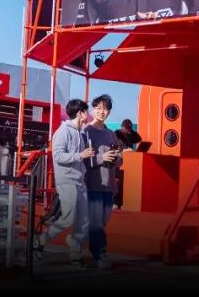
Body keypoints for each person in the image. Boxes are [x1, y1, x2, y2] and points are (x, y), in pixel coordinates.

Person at [34, 99, 95, 266]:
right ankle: (40, 241)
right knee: (68, 218)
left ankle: (75, 254)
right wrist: (80, 155)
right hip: (67, 180)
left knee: (83, 220)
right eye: (86, 111)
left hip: (79, 181)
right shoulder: (63, 131)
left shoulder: (79, 133)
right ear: (80, 113)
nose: (88, 114)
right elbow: (58, 156)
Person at [81, 94, 122, 270]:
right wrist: (101, 158)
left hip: (109, 185)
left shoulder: (111, 134)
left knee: (101, 222)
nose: (101, 112)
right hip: (93, 184)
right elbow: (82, 159)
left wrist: (116, 158)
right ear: (92, 110)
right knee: (96, 223)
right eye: (98, 108)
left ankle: (78, 245)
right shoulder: (85, 132)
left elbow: (119, 160)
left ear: (109, 112)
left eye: (105, 109)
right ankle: (101, 254)